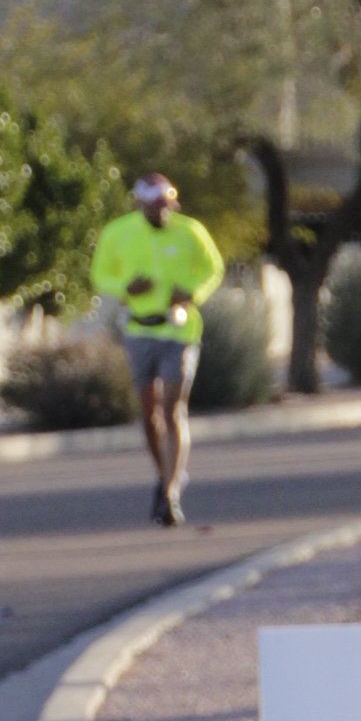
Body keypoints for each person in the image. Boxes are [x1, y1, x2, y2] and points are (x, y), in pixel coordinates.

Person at [89, 173, 225, 525]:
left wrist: (192, 293)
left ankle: (171, 492)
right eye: (153, 207)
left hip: (179, 329)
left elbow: (214, 268)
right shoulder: (118, 232)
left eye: (166, 206)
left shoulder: (190, 230)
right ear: (140, 205)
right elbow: (100, 275)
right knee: (149, 413)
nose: (161, 213)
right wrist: (125, 287)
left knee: (173, 408)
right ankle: (163, 475)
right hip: (139, 329)